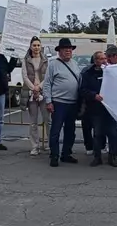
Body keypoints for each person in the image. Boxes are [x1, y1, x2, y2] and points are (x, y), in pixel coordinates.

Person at [43, 38, 81, 167]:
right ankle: (54, 155)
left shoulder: (75, 64)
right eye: (66, 49)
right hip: (59, 103)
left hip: (73, 103)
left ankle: (66, 154)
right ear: (59, 51)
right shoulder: (53, 64)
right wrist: (48, 101)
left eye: (70, 49)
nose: (68, 51)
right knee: (56, 130)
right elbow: (47, 84)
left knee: (70, 131)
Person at [81, 50, 117, 167]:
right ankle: (97, 157)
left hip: (110, 109)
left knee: (112, 133)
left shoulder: (111, 72)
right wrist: (94, 96)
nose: (105, 61)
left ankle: (112, 157)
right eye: (102, 59)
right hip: (96, 108)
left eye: (105, 58)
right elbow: (83, 90)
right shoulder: (88, 73)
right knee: (97, 134)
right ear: (96, 60)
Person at [22, 36, 50, 156]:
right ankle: (35, 146)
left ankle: (50, 143)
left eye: (38, 45)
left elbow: (48, 75)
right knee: (33, 122)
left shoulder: (46, 59)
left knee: (47, 120)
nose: (36, 47)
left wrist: (39, 87)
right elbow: (24, 76)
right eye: (34, 45)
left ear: (41, 46)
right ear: (30, 46)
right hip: (31, 93)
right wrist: (33, 89)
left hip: (43, 93)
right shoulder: (25, 60)